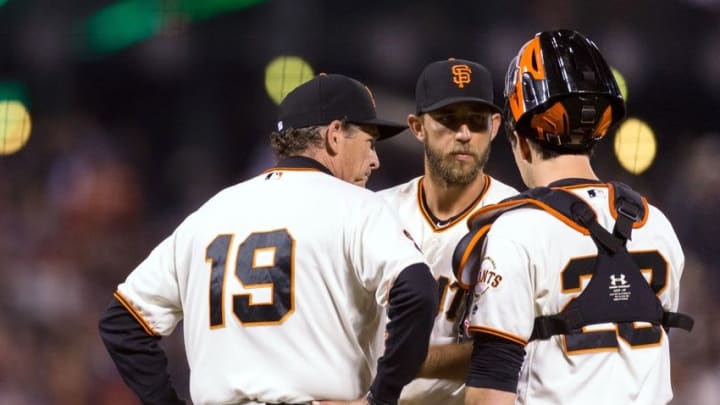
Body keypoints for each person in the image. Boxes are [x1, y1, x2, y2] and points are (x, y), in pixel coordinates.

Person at [98, 73, 439, 405]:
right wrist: (381, 398)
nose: (375, 159)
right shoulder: (359, 207)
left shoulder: (207, 215)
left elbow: (122, 323)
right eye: (368, 141)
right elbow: (417, 290)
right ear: (335, 135)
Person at [457, 29, 693, 405]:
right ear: (597, 130)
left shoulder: (518, 230)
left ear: (518, 138)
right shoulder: (657, 224)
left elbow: (489, 392)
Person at [375, 58, 519, 405]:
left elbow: (516, 349)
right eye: (448, 120)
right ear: (417, 126)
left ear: (496, 125)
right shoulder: (376, 213)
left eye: (476, 121)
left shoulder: (517, 220)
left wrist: (406, 359)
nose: (464, 134)